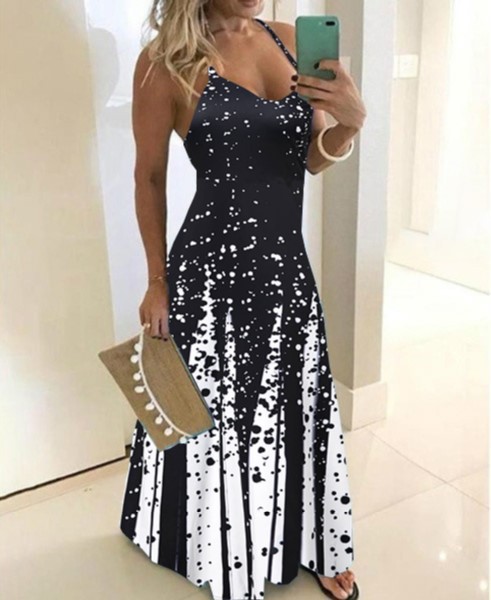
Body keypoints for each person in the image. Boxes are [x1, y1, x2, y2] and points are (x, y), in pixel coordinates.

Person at [120, 2, 366, 600]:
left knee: (294, 406)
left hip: (285, 269)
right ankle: (227, 550)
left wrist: (350, 124)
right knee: (218, 419)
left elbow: (306, 160)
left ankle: (313, 540)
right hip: (210, 273)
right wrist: (157, 281)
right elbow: (149, 176)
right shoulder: (164, 61)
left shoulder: (289, 42)